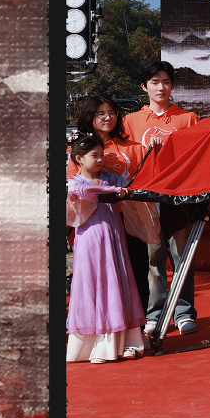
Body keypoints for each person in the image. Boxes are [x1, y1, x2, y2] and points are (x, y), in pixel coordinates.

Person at [122, 61, 198, 337]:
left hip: (178, 197)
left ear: (172, 85)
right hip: (146, 198)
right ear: (144, 86)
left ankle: (184, 312)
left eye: (166, 82)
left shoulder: (187, 118)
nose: (161, 87)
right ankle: (155, 313)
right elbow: (126, 159)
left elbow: (194, 158)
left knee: (181, 256)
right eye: (154, 82)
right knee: (153, 259)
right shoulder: (131, 121)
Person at [65, 134, 146, 363]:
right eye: (94, 155)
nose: (100, 159)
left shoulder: (111, 178)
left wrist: (123, 190)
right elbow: (82, 194)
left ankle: (124, 343)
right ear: (79, 159)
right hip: (89, 239)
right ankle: (94, 347)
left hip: (114, 236)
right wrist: (113, 191)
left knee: (117, 281)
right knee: (92, 284)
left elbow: (132, 187)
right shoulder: (74, 184)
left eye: (102, 155)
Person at [68, 96, 149, 315]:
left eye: (112, 113)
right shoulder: (80, 149)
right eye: (101, 113)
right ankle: (104, 323)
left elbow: (145, 181)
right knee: (100, 275)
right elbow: (73, 186)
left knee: (136, 270)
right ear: (90, 117)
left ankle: (137, 325)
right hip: (94, 223)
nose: (108, 118)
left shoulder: (135, 147)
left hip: (130, 218)